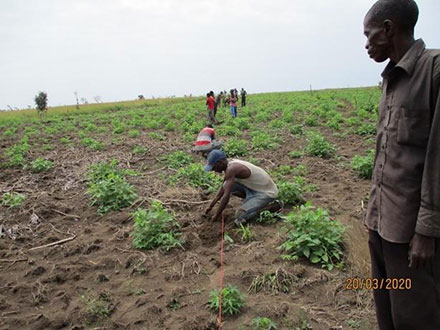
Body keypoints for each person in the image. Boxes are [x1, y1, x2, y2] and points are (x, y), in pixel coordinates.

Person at [363, 1, 440, 329]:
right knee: (389, 314)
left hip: (412, 235)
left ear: (389, 29)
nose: (366, 45)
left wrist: (426, 230)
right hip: (381, 225)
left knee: (416, 316)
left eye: (369, 36)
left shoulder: (434, 70)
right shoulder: (390, 79)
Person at [204, 150, 282, 225]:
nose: (214, 170)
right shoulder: (229, 165)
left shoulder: (232, 169)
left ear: (219, 163)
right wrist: (210, 206)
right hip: (255, 188)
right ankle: (252, 201)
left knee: (240, 215)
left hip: (267, 193)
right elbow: (222, 189)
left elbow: (226, 196)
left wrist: (216, 216)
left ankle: (271, 206)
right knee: (229, 186)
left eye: (214, 168)